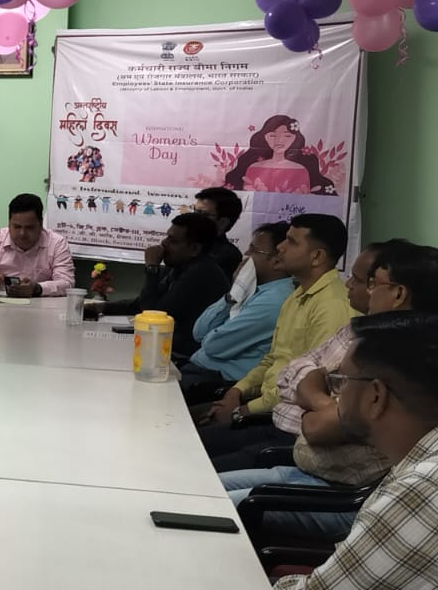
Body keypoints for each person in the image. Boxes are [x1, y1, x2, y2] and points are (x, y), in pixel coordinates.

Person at [263, 313, 438, 590]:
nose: (337, 394)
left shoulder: (426, 488)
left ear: (376, 396)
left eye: (342, 383)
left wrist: (289, 587)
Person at [223, 242, 438, 534]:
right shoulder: (359, 330)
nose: (362, 289)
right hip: (307, 469)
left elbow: (314, 427)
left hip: (340, 495)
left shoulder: (404, 359)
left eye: (373, 283)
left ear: (399, 293)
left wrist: (317, 399)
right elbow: (295, 371)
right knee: (205, 491)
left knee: (214, 507)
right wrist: (327, 403)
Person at [200, 213, 355, 465]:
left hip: (287, 424)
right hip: (262, 407)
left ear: (317, 256)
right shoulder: (296, 296)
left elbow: (306, 384)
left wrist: (242, 410)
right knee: (186, 430)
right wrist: (236, 391)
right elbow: (271, 359)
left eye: (291, 242)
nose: (281, 247)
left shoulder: (332, 306)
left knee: (195, 451)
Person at [178, 222, 293, 401]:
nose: (246, 255)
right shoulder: (251, 288)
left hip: (219, 381)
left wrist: (211, 336)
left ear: (276, 260)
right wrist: (234, 293)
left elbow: (213, 345)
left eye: (253, 250)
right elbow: (199, 332)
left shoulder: (274, 300)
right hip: (199, 370)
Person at [94, 212, 231, 359]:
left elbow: (153, 315)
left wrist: (152, 268)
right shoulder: (179, 266)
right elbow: (142, 303)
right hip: (170, 348)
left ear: (195, 249)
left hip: (187, 357)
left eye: (173, 241)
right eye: (167, 237)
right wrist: (101, 308)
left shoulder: (201, 272)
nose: (164, 244)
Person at [0, 193, 75, 297]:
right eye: (17, 227)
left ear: (41, 224)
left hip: (40, 303)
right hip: (0, 302)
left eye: (29, 228)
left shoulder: (57, 243)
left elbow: (67, 283)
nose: (22, 234)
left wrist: (37, 288)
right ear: (9, 223)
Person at [223, 114, 337, 195]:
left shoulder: (301, 170)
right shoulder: (253, 168)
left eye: (287, 136)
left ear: (295, 139)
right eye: (272, 136)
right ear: (264, 137)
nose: (279, 141)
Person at [193, 186, 246, 278]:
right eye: (194, 211)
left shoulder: (227, 255)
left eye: (202, 214)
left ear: (222, 223)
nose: (193, 218)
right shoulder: (188, 244)